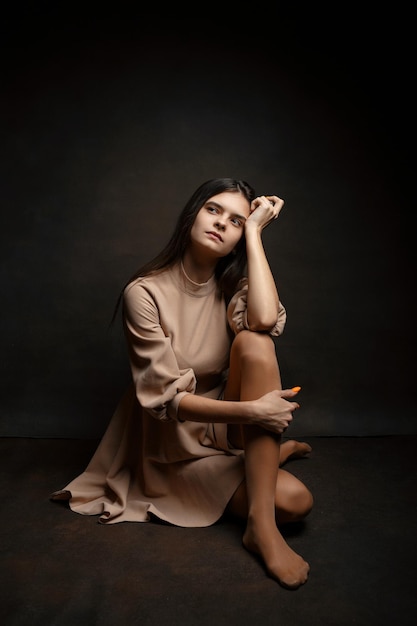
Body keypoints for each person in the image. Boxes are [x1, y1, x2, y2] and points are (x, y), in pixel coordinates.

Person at [51, 178, 313, 590]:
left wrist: (256, 236)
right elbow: (167, 401)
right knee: (296, 502)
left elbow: (264, 321)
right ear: (192, 213)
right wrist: (255, 412)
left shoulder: (232, 287)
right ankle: (268, 458)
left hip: (225, 430)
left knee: (255, 343)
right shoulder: (145, 293)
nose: (221, 223)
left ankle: (261, 529)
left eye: (236, 221)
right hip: (171, 445)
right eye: (213, 210)